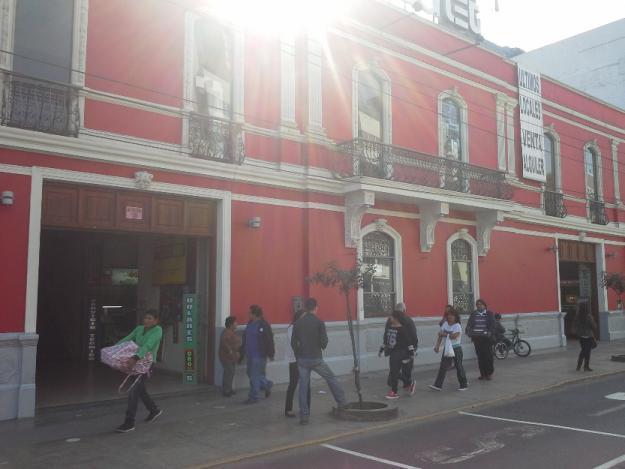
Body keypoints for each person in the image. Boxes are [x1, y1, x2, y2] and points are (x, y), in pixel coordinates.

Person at [291, 297, 347, 425]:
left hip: (302, 359)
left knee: (303, 387)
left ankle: (304, 416)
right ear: (316, 307)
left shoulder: (298, 323)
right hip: (316, 358)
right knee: (331, 378)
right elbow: (324, 342)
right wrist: (320, 345)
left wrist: (298, 354)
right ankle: (342, 402)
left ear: (305, 307)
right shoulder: (319, 322)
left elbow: (293, 342)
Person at [115, 309, 163, 433]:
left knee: (134, 391)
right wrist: (114, 348)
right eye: (145, 318)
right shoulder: (139, 329)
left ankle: (129, 422)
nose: (146, 320)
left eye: (150, 318)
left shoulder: (158, 330)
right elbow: (127, 339)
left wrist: (136, 357)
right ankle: (154, 410)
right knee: (140, 390)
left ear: (156, 320)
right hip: (136, 363)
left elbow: (148, 345)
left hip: (147, 365)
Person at [240, 305, 275, 404]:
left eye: (249, 313)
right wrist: (242, 351)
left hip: (259, 355)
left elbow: (269, 340)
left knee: (255, 375)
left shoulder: (263, 325)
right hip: (249, 354)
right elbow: (245, 338)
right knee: (250, 374)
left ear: (254, 314)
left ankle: (254, 397)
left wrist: (271, 353)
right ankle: (266, 384)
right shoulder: (250, 323)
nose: (248, 314)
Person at [429, 307, 468, 391]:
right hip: (447, 349)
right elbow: (439, 335)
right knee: (443, 367)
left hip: (456, 348)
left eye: (452, 315)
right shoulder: (445, 324)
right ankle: (438, 385)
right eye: (448, 315)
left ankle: (463, 384)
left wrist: (444, 334)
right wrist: (437, 346)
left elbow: (454, 336)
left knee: (458, 366)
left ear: (456, 317)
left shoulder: (457, 326)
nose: (450, 317)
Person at [379, 309, 415, 399]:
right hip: (392, 352)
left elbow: (408, 342)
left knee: (394, 372)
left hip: (400, 352)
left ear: (396, 318)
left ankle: (394, 392)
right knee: (394, 372)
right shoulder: (390, 327)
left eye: (392, 316)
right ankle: (409, 383)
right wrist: (381, 349)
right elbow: (386, 340)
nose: (390, 318)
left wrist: (411, 353)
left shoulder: (402, 329)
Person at [284, 310, 311, 417]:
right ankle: (288, 409)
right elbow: (295, 343)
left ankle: (306, 408)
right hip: (295, 360)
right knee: (293, 384)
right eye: (303, 317)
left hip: (305, 359)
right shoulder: (291, 328)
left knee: (307, 385)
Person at [466, 298, 496, 381]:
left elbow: (493, 325)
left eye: (480, 304)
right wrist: (469, 332)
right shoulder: (473, 314)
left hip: (487, 339)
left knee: (488, 356)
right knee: (480, 357)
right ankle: (482, 374)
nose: (479, 306)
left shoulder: (489, 314)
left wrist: (490, 332)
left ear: (484, 306)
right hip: (477, 339)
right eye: (477, 305)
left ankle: (489, 374)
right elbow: (469, 325)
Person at [394, 303, 418, 393]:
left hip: (405, 349)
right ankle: (407, 384)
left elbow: (413, 336)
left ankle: (408, 384)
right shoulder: (405, 321)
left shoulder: (406, 321)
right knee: (403, 369)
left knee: (403, 369)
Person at [219, 316, 242, 397]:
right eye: (235, 322)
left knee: (231, 373)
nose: (237, 324)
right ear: (231, 324)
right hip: (227, 357)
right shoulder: (227, 332)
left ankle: (229, 389)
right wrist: (230, 350)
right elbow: (224, 342)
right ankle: (226, 391)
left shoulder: (231, 332)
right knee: (229, 373)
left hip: (231, 357)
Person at [573, 298, 597, 372]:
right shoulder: (589, 316)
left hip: (581, 336)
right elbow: (594, 326)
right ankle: (586, 367)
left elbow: (575, 325)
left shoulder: (577, 316)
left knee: (583, 350)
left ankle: (579, 366)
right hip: (588, 336)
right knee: (587, 351)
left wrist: (578, 332)